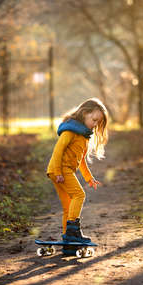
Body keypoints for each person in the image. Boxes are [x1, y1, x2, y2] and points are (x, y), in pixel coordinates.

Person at [47, 98, 109, 243]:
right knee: (79, 195)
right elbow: (57, 151)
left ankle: (67, 240)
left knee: (69, 207)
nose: (95, 125)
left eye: (97, 123)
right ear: (84, 113)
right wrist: (58, 172)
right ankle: (73, 232)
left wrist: (88, 177)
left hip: (61, 171)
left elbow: (81, 160)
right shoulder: (70, 131)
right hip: (60, 169)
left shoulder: (83, 136)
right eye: (94, 120)